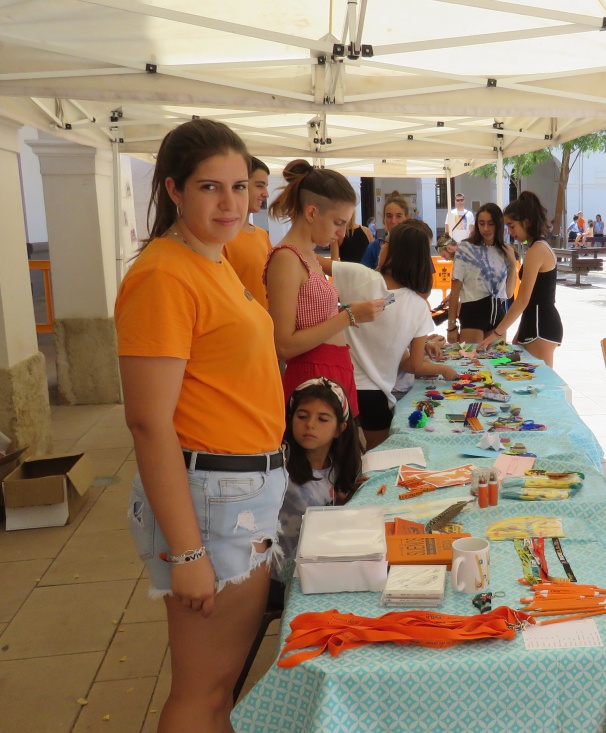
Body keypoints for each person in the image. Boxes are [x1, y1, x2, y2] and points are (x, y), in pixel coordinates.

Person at [115, 119, 287, 733]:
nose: (229, 202)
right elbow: (147, 423)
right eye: (210, 187)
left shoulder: (213, 260)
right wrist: (187, 551)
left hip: (240, 489)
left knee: (219, 690)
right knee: (204, 691)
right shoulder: (165, 273)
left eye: (240, 187)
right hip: (214, 500)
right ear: (174, 190)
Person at [324, 220, 459, 448]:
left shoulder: (359, 275)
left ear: (394, 252)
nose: (381, 246)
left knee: (338, 456)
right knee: (375, 459)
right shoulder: (417, 306)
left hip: (339, 384)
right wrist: (444, 369)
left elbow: (307, 260)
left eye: (386, 242)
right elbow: (413, 365)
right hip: (376, 395)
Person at [265, 160, 384, 412]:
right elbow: (283, 345)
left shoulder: (307, 255)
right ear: (311, 213)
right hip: (313, 381)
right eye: (338, 223)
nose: (341, 234)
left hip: (330, 372)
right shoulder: (287, 258)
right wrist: (348, 315)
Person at [274, 378, 363, 574]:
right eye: (302, 416)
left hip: (316, 566)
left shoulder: (336, 468)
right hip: (281, 577)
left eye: (323, 419)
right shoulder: (280, 470)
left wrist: (347, 500)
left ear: (340, 429)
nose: (311, 425)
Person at [478, 191, 561, 367]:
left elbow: (523, 300)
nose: (509, 231)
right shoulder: (536, 248)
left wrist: (496, 333)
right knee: (507, 364)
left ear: (526, 222)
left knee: (538, 383)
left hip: (540, 327)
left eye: (512, 226)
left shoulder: (537, 250)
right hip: (534, 324)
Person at [447, 202, 517, 345]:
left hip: (499, 317)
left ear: (498, 224)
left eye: (491, 224)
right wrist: (451, 326)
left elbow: (509, 293)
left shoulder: (504, 251)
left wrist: (513, 264)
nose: (486, 228)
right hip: (473, 315)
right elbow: (455, 290)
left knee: (497, 364)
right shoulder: (465, 248)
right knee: (471, 364)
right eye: (481, 223)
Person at [221, 157, 273, 306]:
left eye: (265, 186)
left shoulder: (262, 234)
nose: (266, 194)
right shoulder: (223, 238)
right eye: (259, 186)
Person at [360, 191, 410, 269]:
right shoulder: (374, 247)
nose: (393, 221)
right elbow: (363, 276)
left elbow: (426, 279)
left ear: (407, 218)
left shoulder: (416, 245)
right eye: (389, 216)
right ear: (384, 219)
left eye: (399, 216)